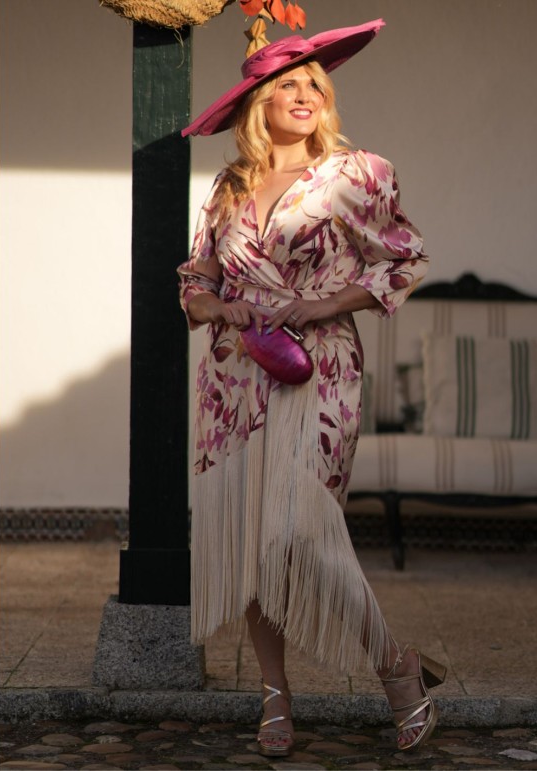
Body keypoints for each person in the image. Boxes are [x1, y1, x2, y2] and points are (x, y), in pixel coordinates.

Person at [178, 19, 446, 757]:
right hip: (234, 376)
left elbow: (405, 260)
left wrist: (324, 303)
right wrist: (216, 307)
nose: (304, 95)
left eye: (313, 85)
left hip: (319, 369)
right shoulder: (228, 188)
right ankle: (275, 694)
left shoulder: (357, 174)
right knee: (253, 538)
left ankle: (394, 664)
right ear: (257, 103)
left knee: (301, 526)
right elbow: (197, 277)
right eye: (287, 85)